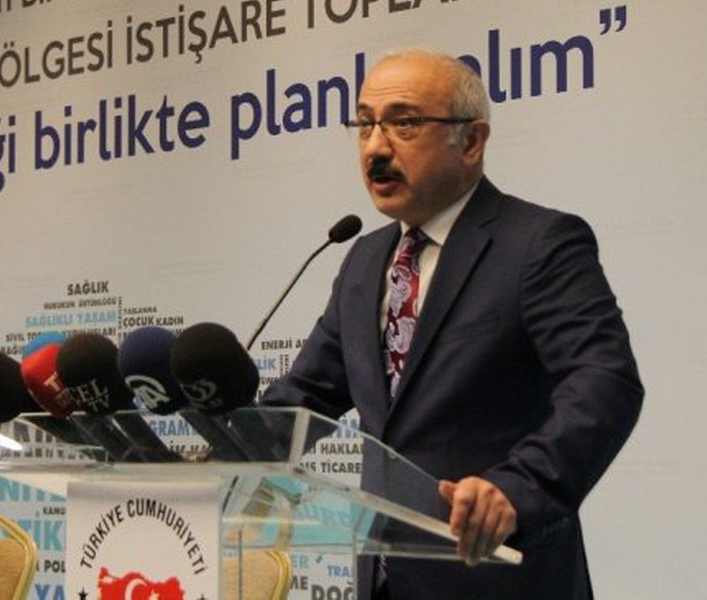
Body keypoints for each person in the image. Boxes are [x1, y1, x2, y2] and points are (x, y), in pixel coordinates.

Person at [260, 49, 644, 599]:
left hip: (499, 580)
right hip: (385, 584)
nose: (375, 147)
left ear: (471, 141)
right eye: (365, 124)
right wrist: (216, 454)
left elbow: (604, 381)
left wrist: (519, 487)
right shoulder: (364, 261)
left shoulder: (539, 244)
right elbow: (306, 396)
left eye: (404, 123)